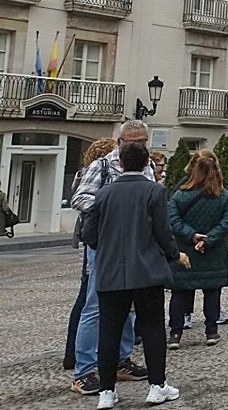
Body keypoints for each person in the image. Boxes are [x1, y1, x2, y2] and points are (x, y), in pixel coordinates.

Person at [81, 140, 189, 408]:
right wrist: (174, 255)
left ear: (120, 162)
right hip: (146, 270)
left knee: (109, 331)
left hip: (111, 271)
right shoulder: (154, 191)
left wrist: (106, 250)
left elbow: (89, 234)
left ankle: (107, 391)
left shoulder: (103, 194)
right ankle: (157, 385)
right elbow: (163, 232)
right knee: (152, 327)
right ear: (145, 164)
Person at [70, 121, 154, 396]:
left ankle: (121, 360)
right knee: (95, 305)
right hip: (105, 245)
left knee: (129, 306)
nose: (136, 146)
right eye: (131, 142)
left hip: (136, 244)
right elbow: (79, 198)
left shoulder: (148, 166)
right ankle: (83, 371)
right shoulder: (102, 166)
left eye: (141, 141)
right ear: (119, 142)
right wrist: (112, 208)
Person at [166, 156, 228, 349]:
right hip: (213, 252)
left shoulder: (180, 195)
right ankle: (211, 331)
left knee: (179, 294)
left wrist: (192, 235)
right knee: (212, 293)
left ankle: (175, 333)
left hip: (185, 251)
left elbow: (172, 220)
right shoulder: (225, 196)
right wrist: (208, 239)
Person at [65, 137, 117, 373]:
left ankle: (75, 355)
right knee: (88, 299)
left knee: (88, 296)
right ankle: (77, 358)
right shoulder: (92, 174)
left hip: (94, 238)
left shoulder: (85, 174)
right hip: (97, 240)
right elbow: (82, 202)